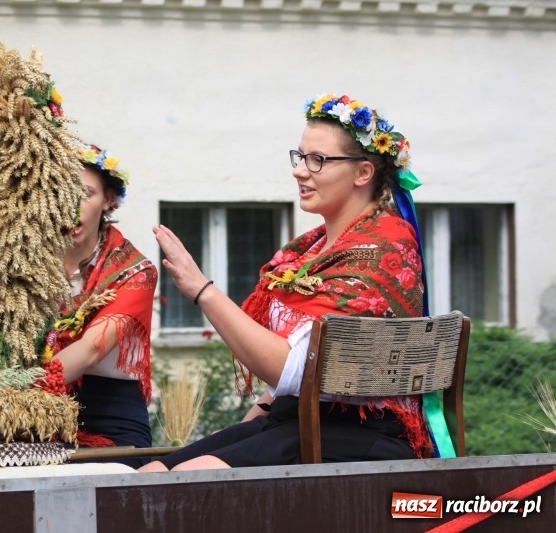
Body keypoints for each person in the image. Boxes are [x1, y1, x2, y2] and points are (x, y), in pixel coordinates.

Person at [139, 94, 429, 472]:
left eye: (318, 160)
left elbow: (296, 369)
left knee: (190, 476)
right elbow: (287, 384)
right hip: (299, 421)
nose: (300, 171)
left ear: (363, 173)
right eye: (301, 156)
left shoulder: (381, 247)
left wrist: (202, 292)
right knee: (154, 472)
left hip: (358, 435)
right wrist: (242, 433)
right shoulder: (312, 247)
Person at [49, 142, 157, 468]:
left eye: (84, 193)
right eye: (59, 192)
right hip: (35, 409)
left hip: (110, 413)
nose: (71, 205)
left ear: (107, 200)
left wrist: (12, 392)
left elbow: (91, 350)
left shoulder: (136, 271)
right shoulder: (22, 260)